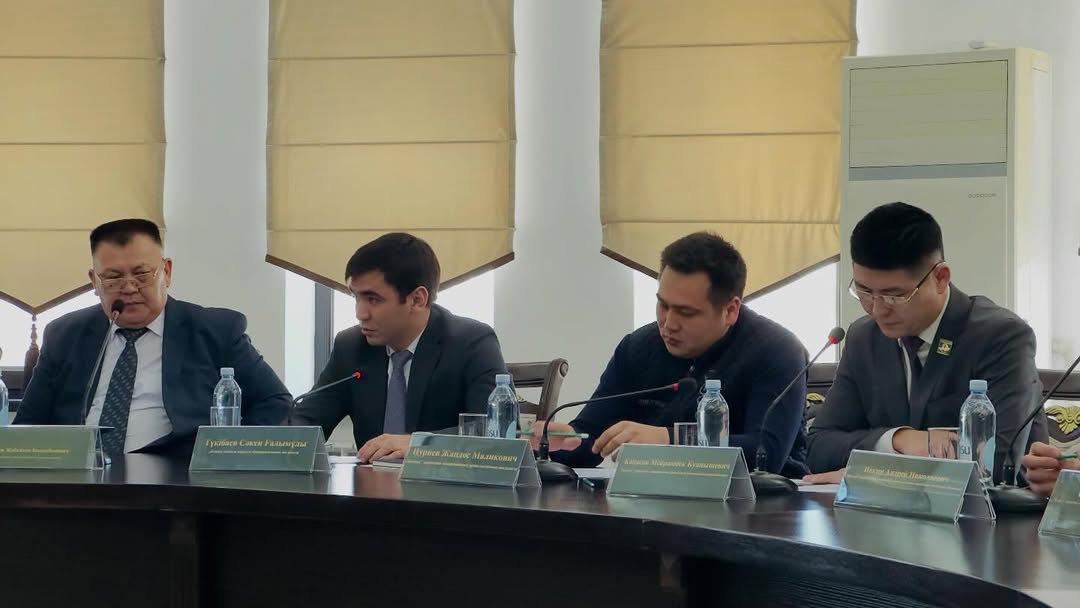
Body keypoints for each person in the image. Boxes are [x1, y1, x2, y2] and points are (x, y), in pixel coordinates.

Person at [805, 202, 1046, 484]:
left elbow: (995, 462)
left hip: (986, 510)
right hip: (879, 511)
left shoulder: (1001, 337)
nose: (877, 310)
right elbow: (819, 447)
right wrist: (898, 440)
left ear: (941, 278)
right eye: (864, 292)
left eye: (894, 296)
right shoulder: (864, 337)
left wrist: (876, 475)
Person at [535, 232, 810, 477]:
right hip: (653, 498)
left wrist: (667, 439)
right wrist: (559, 442)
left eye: (686, 313)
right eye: (662, 305)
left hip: (762, 505)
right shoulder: (637, 347)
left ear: (730, 310)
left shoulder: (777, 351)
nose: (668, 324)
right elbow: (593, 437)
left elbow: (765, 454)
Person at [15, 219, 291, 458]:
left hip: (176, 479)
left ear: (166, 272)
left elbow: (275, 401)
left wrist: (228, 452)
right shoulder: (65, 334)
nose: (129, 288)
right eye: (113, 278)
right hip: (79, 479)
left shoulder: (214, 330)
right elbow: (28, 424)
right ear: (94, 281)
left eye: (141, 274)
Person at [290, 233, 507, 463]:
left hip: (443, 483)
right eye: (356, 298)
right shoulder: (351, 346)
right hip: (369, 484)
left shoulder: (471, 343)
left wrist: (420, 443)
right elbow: (306, 423)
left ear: (417, 299)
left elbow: (495, 433)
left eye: (373, 299)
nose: (360, 313)